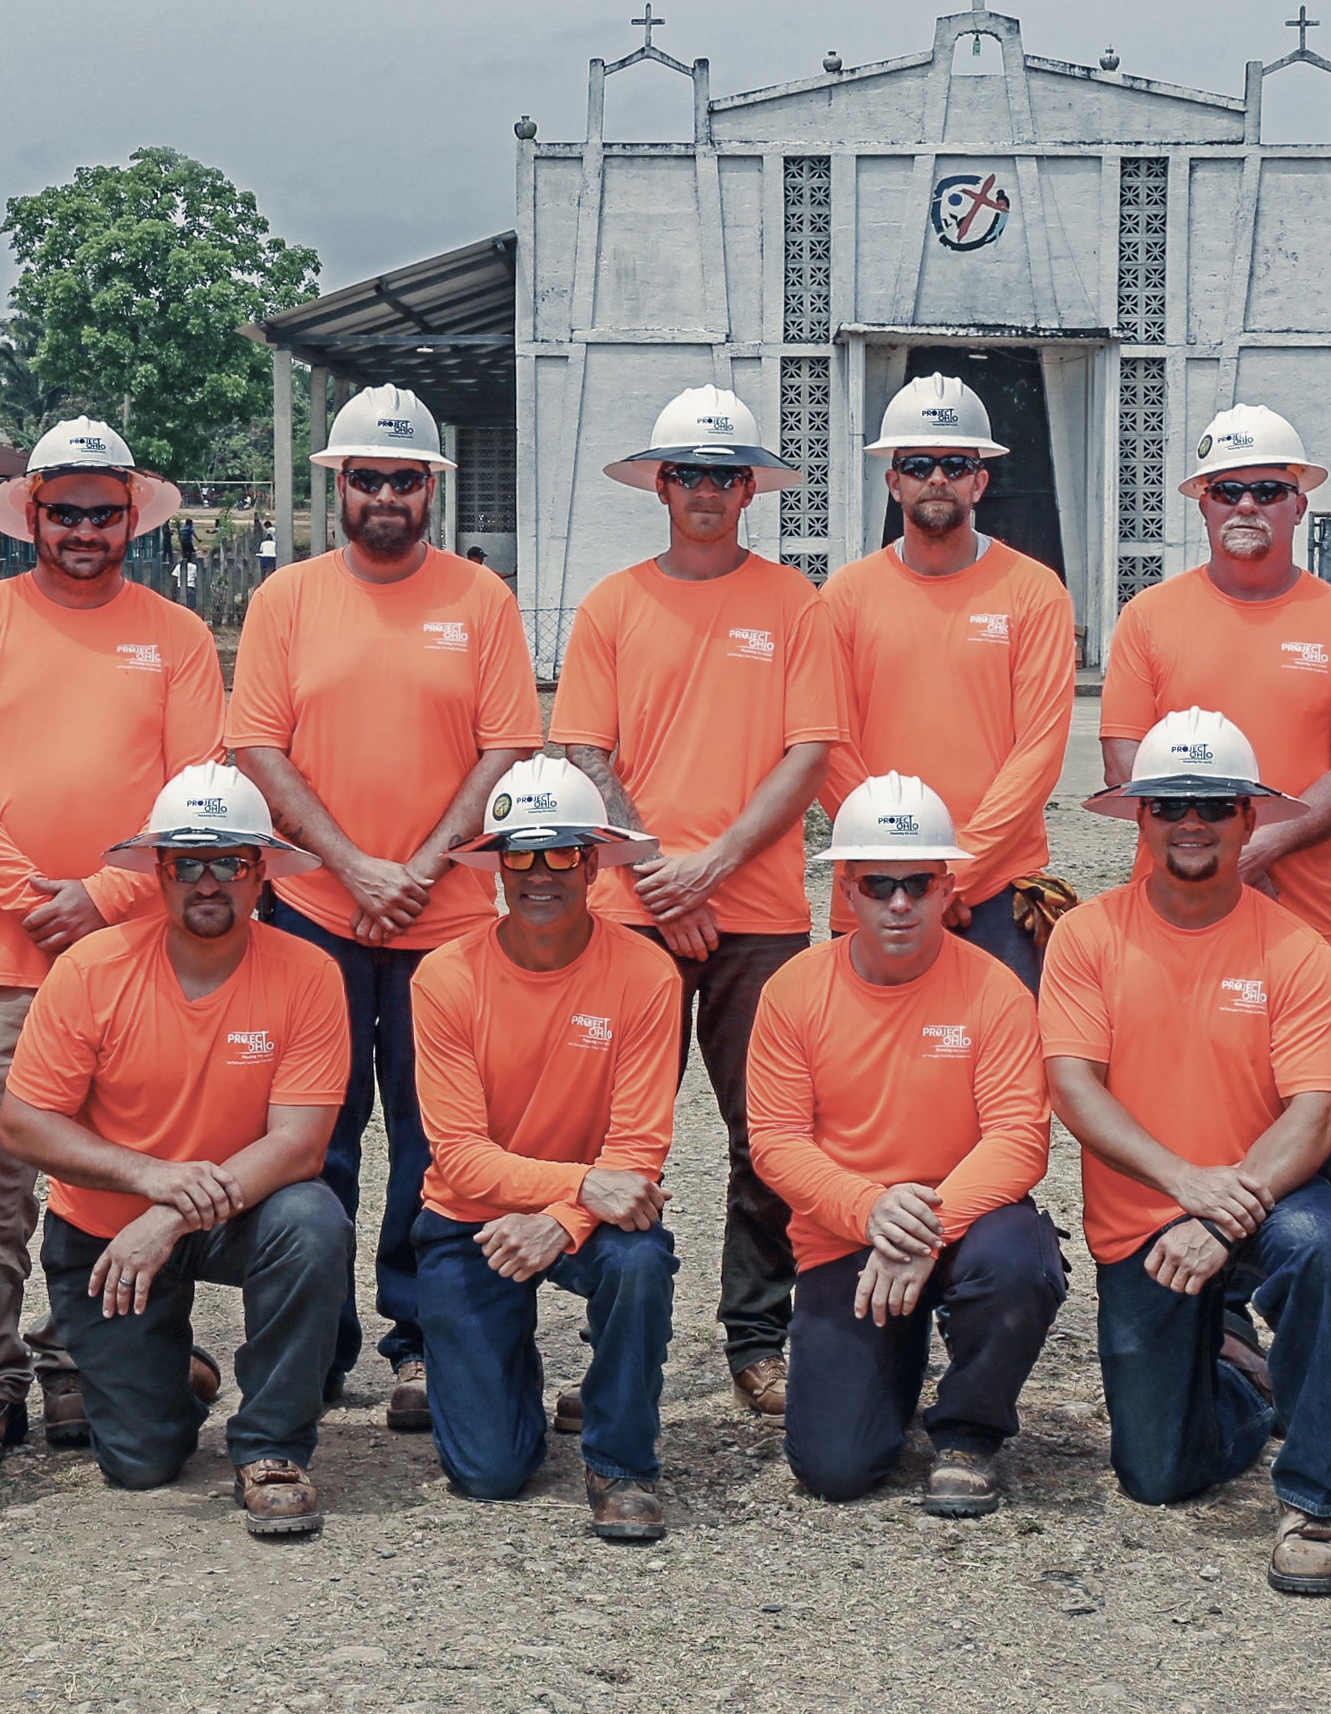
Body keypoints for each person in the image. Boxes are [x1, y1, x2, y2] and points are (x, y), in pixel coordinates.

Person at [227, 385, 541, 1421]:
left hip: (445, 917)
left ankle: (418, 1340)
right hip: (314, 908)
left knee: (432, 1131)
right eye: (369, 478)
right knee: (315, 1129)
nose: (387, 497)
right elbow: (256, 746)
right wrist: (354, 864)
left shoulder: (479, 600)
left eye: (406, 480)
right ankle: (315, 1340)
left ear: (431, 489)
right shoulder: (288, 600)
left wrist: (419, 861)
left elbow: (507, 744)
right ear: (339, 485)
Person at [0, 419, 222, 1464]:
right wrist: (25, 895)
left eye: (103, 510)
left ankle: (78, 1364)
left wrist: (101, 894)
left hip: (134, 947)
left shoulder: (176, 637)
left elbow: (194, 792)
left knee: (108, 1168)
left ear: (130, 515)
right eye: (66, 511)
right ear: (32, 515)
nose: (85, 528)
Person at [555, 385, 848, 1420]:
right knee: (607, 1129)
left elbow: (808, 751)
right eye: (689, 474)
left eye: (727, 475)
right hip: (630, 909)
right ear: (662, 484)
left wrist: (711, 865)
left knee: (765, 1130)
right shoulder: (614, 604)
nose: (708, 492)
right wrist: (651, 869)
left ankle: (758, 1338)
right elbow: (585, 750)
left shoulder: (792, 606)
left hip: (757, 909)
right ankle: (608, 1344)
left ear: (749, 488)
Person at [1102, 404, 1331, 1424]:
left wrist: (1261, 846)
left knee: (1314, 1133)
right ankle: (1219, 1322)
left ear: (1298, 499)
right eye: (1228, 488)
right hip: (1178, 922)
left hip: (1305, 923)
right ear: (1199, 502)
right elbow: (1125, 765)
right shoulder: (1151, 619)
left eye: (1268, 487)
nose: (1247, 506)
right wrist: (1214, 863)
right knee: (1190, 1115)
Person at [1043, 711, 1331, 1596]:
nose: (1192, 823)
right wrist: (1183, 1182)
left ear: (1251, 819)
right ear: (1138, 816)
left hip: (1265, 1196)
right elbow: (1075, 1088)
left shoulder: (1295, 947)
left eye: (1216, 805)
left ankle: (1316, 1496)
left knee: (1320, 1246)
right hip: (1146, 1209)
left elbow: (1316, 1114)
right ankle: (1248, 1388)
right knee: (1156, 1474)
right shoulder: (1087, 937)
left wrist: (1226, 1210)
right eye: (1170, 806)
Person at [0, 765, 355, 1538]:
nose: (208, 881)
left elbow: (300, 1143)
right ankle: (176, 1373)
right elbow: (24, 1123)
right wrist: (151, 1180)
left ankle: (271, 1448)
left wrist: (170, 1213)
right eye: (186, 861)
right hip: (107, 1231)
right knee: (140, 1463)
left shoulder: (308, 973)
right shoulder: (90, 971)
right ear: (156, 873)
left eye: (229, 862)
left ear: (261, 873)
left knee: (314, 1219)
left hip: (241, 1212)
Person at [746, 776, 1061, 1516]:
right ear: (845, 889)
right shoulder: (794, 991)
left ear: (948, 887)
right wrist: (870, 1210)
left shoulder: (996, 989)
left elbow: (1020, 1140)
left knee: (1022, 1260)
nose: (898, 903)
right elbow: (776, 1141)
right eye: (878, 883)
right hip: (849, 1238)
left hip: (964, 1226)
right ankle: (892, 1355)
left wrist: (926, 1226)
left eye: (917, 883)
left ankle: (968, 1433)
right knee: (836, 1467)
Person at [408, 757, 680, 1539]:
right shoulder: (445, 977)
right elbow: (458, 1156)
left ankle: (621, 1460)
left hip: (585, 1221)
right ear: (495, 865)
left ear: (593, 862)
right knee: (490, 1474)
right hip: (470, 1220)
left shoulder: (646, 973)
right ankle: (505, 1368)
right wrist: (585, 1185)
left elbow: (638, 1148)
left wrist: (566, 1215)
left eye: (560, 853)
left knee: (641, 1259)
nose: (539, 874)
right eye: (519, 854)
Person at [821, 373, 1076, 988]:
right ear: (893, 480)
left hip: (993, 894)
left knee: (1001, 1077)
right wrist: (905, 868)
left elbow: (1037, 752)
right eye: (918, 463)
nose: (937, 477)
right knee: (870, 1075)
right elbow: (828, 746)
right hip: (876, 889)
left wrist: (953, 873)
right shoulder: (845, 597)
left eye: (955, 463)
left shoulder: (1034, 591)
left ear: (979, 480)